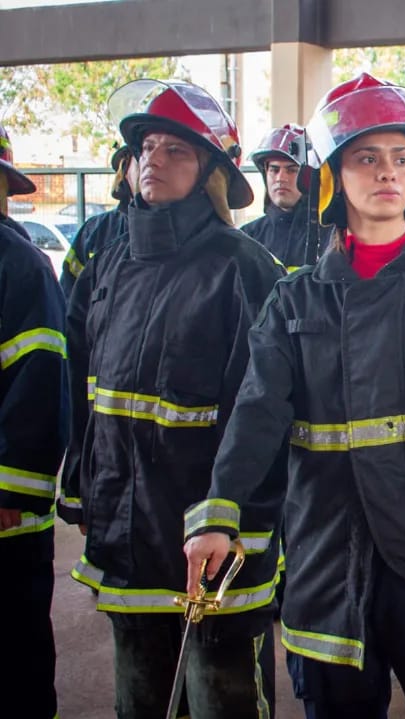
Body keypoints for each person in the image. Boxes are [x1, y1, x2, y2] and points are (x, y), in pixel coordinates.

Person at [182, 73, 405, 719]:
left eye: (402, 158)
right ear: (333, 177)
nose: (388, 173)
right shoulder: (295, 298)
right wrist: (221, 510)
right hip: (328, 547)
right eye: (366, 158)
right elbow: (257, 414)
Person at [59, 80, 283, 719]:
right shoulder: (106, 260)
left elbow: (262, 413)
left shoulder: (245, 268)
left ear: (212, 174)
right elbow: (85, 387)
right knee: (140, 694)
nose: (153, 159)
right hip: (124, 527)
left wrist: (238, 518)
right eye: (146, 147)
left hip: (210, 532)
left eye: (176, 150)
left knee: (223, 694)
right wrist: (82, 485)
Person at [0, 122, 68, 719]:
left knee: (13, 652)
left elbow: (42, 384)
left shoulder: (20, 266)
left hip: (5, 515)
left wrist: (10, 488)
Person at [241, 124, 332, 271]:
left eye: (292, 170)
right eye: (274, 170)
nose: (280, 178)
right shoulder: (247, 237)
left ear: (310, 179)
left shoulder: (331, 237)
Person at [59, 142, 137, 297]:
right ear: (125, 169)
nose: (155, 163)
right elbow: (68, 299)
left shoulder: (195, 234)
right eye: (142, 154)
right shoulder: (94, 232)